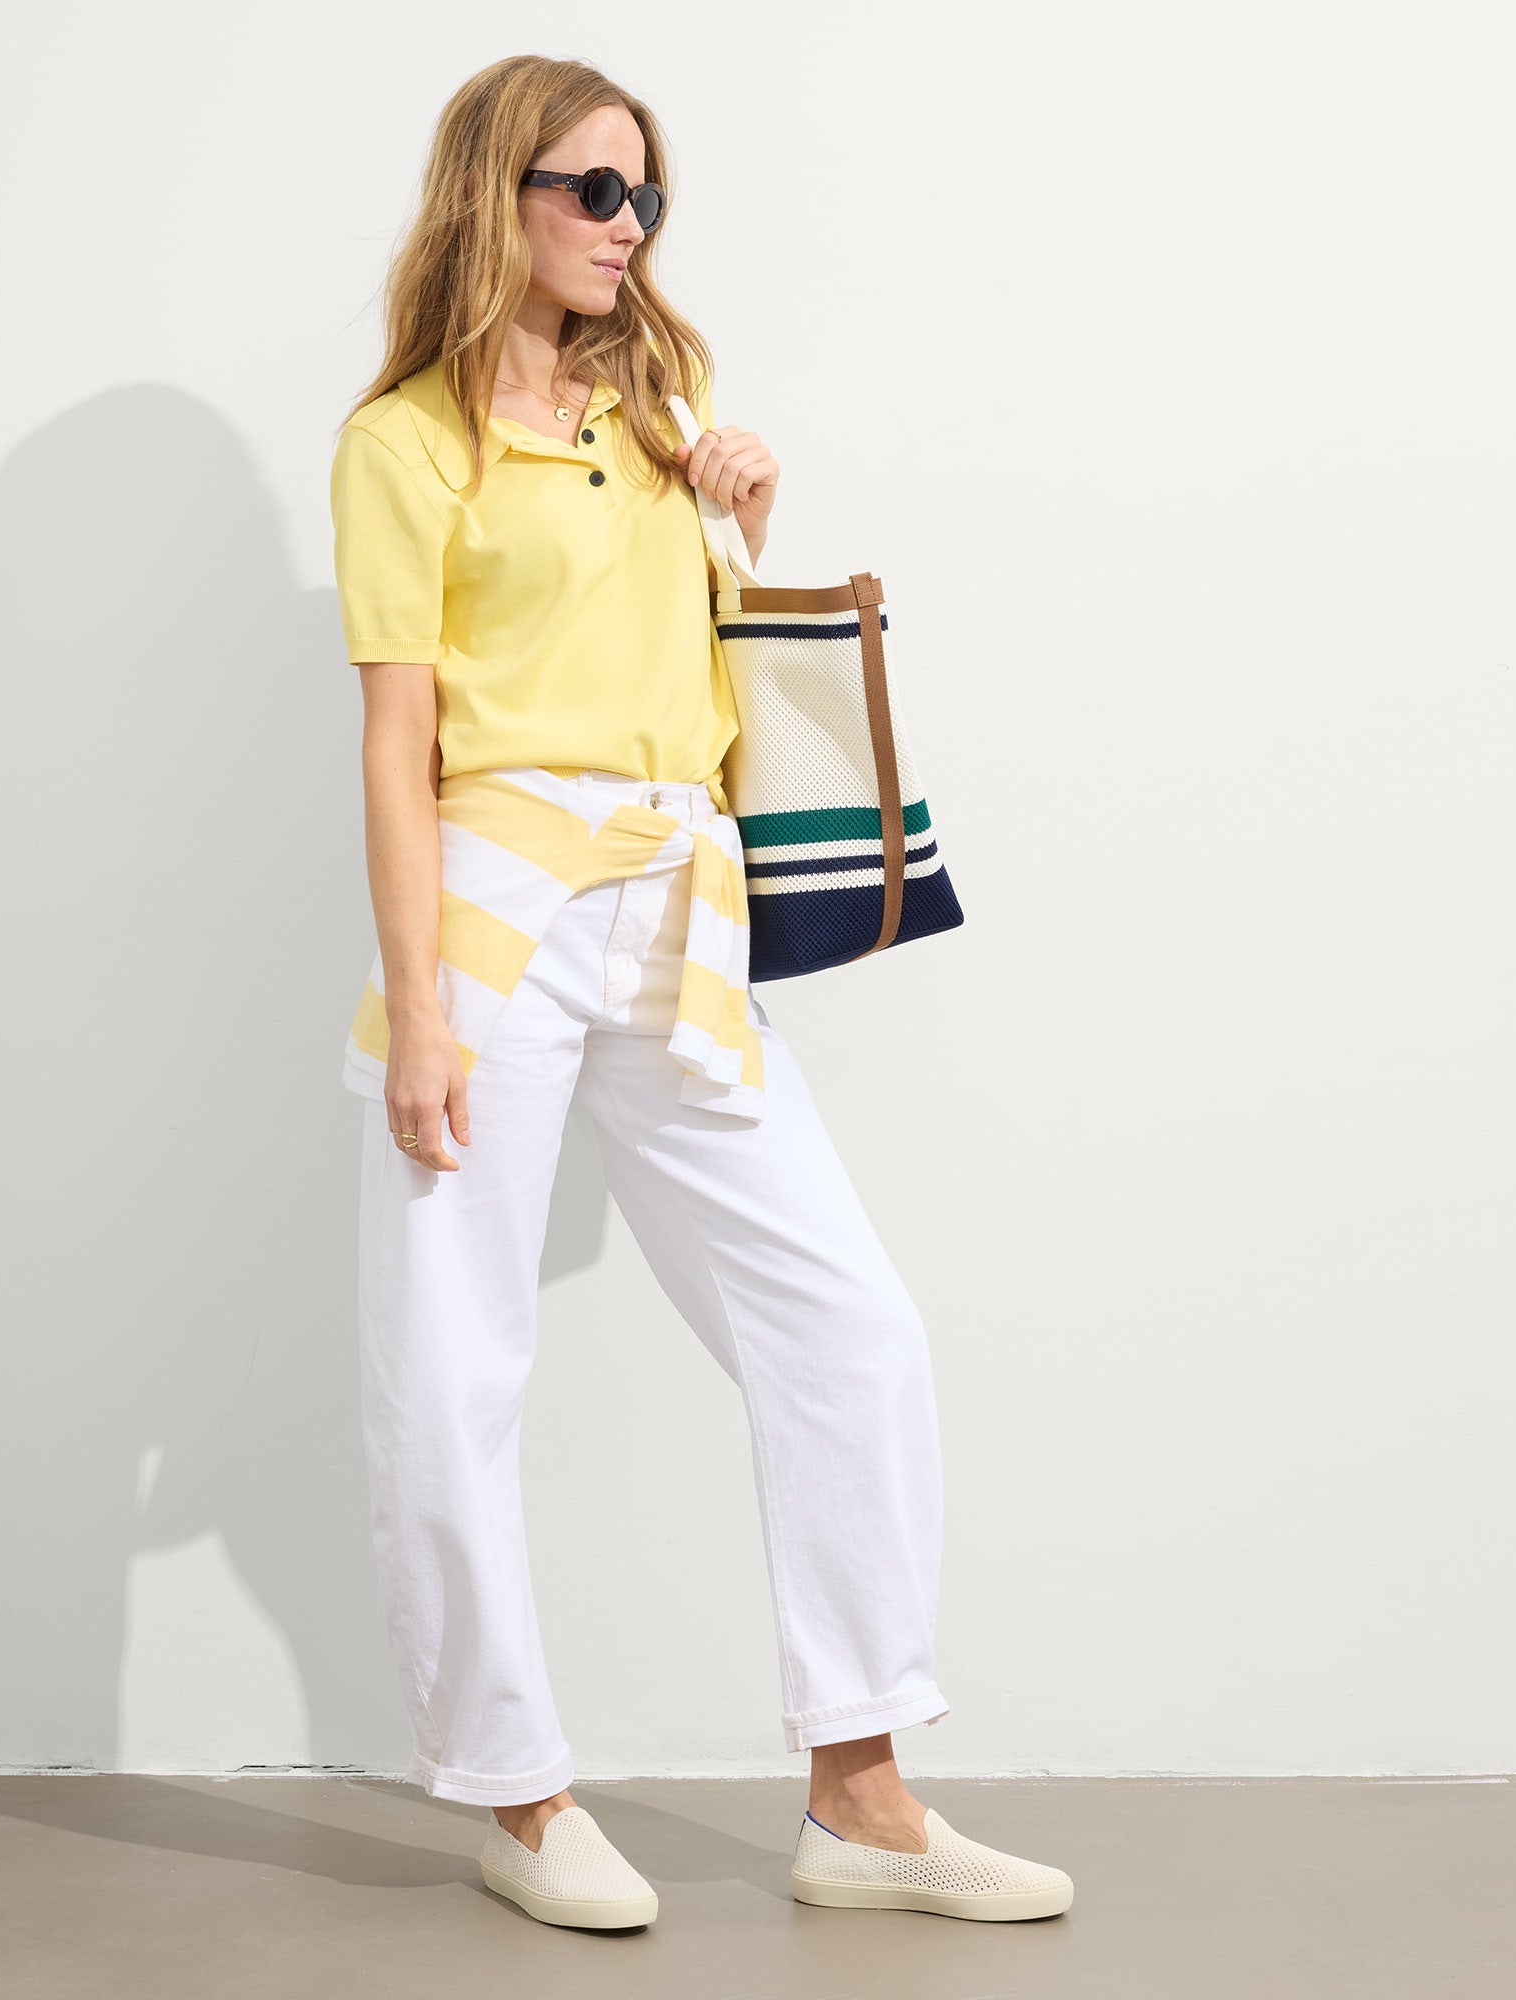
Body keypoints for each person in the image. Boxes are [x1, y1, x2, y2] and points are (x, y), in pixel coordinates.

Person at [328, 53, 1073, 1932]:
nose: (625, 225)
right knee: (454, 1358)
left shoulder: (661, 400)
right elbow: (397, 741)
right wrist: (418, 1009)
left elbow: (702, 660)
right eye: (592, 189)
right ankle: (518, 1793)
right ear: (495, 193)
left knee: (849, 1324)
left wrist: (743, 515)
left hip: (680, 903)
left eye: (645, 195)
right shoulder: (404, 445)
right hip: (495, 909)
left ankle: (862, 1798)